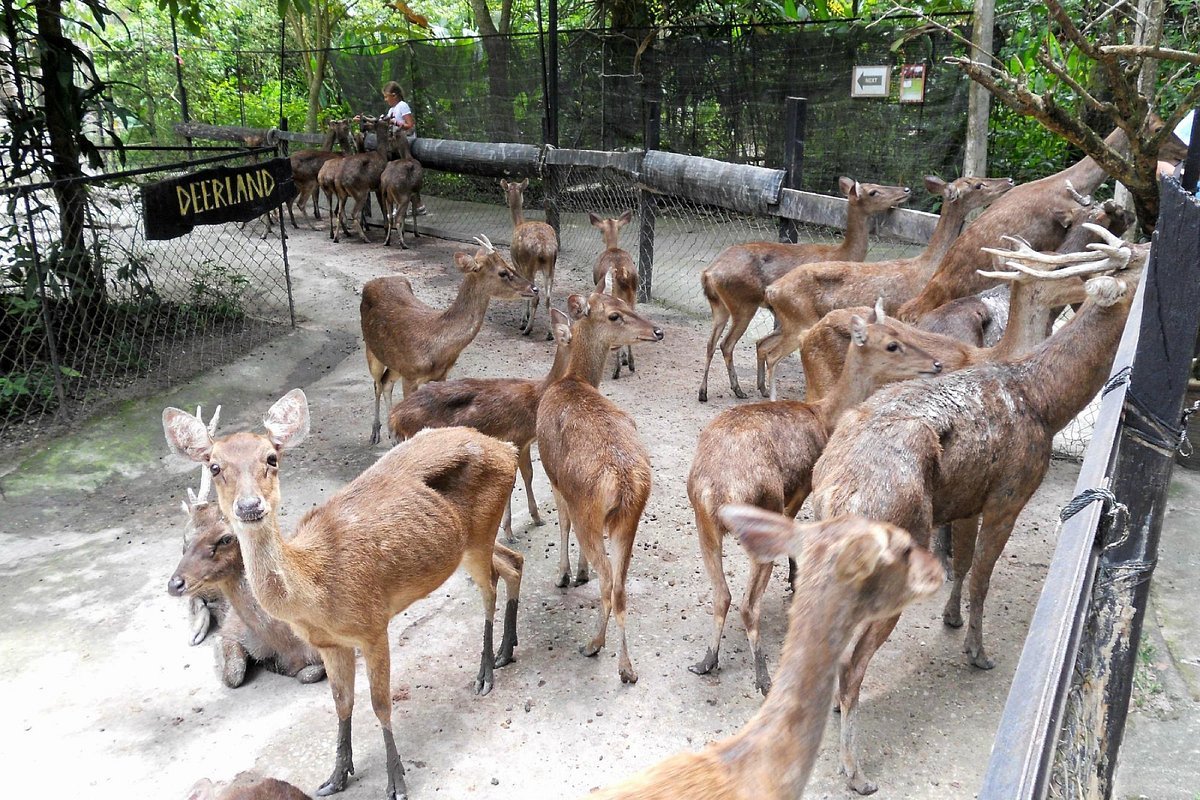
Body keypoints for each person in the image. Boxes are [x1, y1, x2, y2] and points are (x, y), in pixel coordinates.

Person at [379, 81, 427, 215]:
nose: (385, 99)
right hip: (394, 145)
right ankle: (403, 205)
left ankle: (416, 205)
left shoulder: (402, 106)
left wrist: (396, 122)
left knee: (407, 174)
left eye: (387, 96)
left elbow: (410, 125)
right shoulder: (391, 110)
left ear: (394, 95)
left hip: (405, 143)